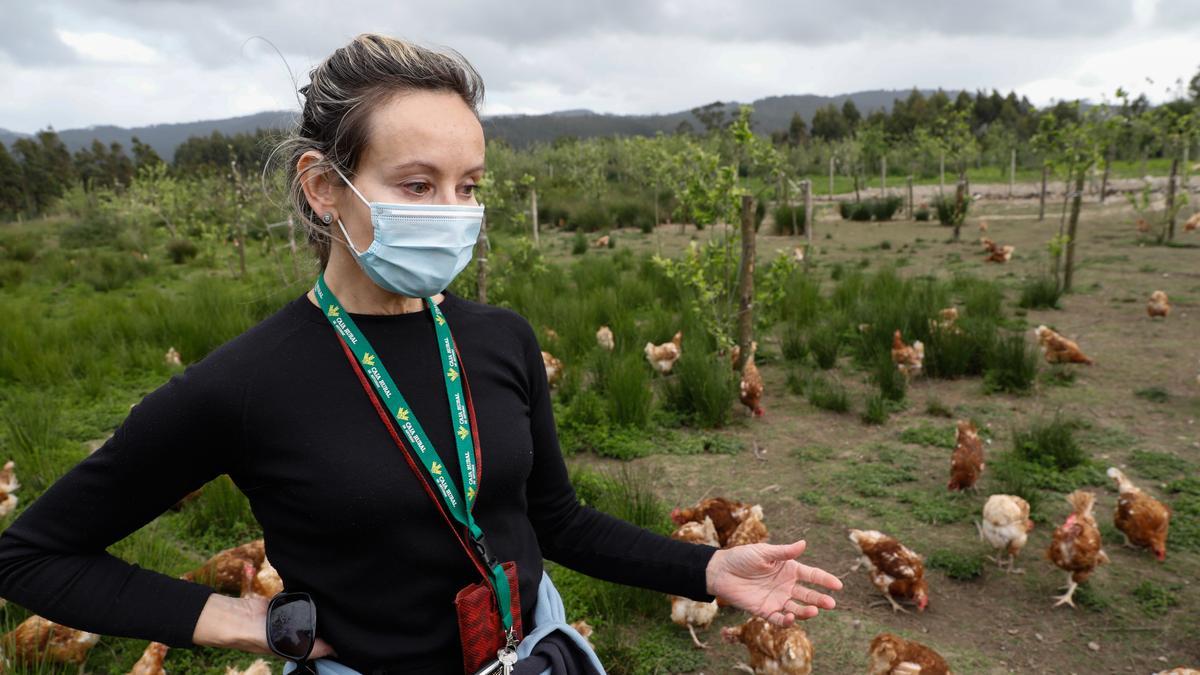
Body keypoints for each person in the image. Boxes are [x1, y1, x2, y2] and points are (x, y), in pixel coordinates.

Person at [0, 34, 841, 674]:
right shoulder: (245, 385)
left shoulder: (500, 337)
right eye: (416, 185)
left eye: (468, 186)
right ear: (324, 188)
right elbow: (30, 553)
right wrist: (241, 621)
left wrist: (707, 566)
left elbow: (553, 520)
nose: (452, 211)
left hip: (537, 652)